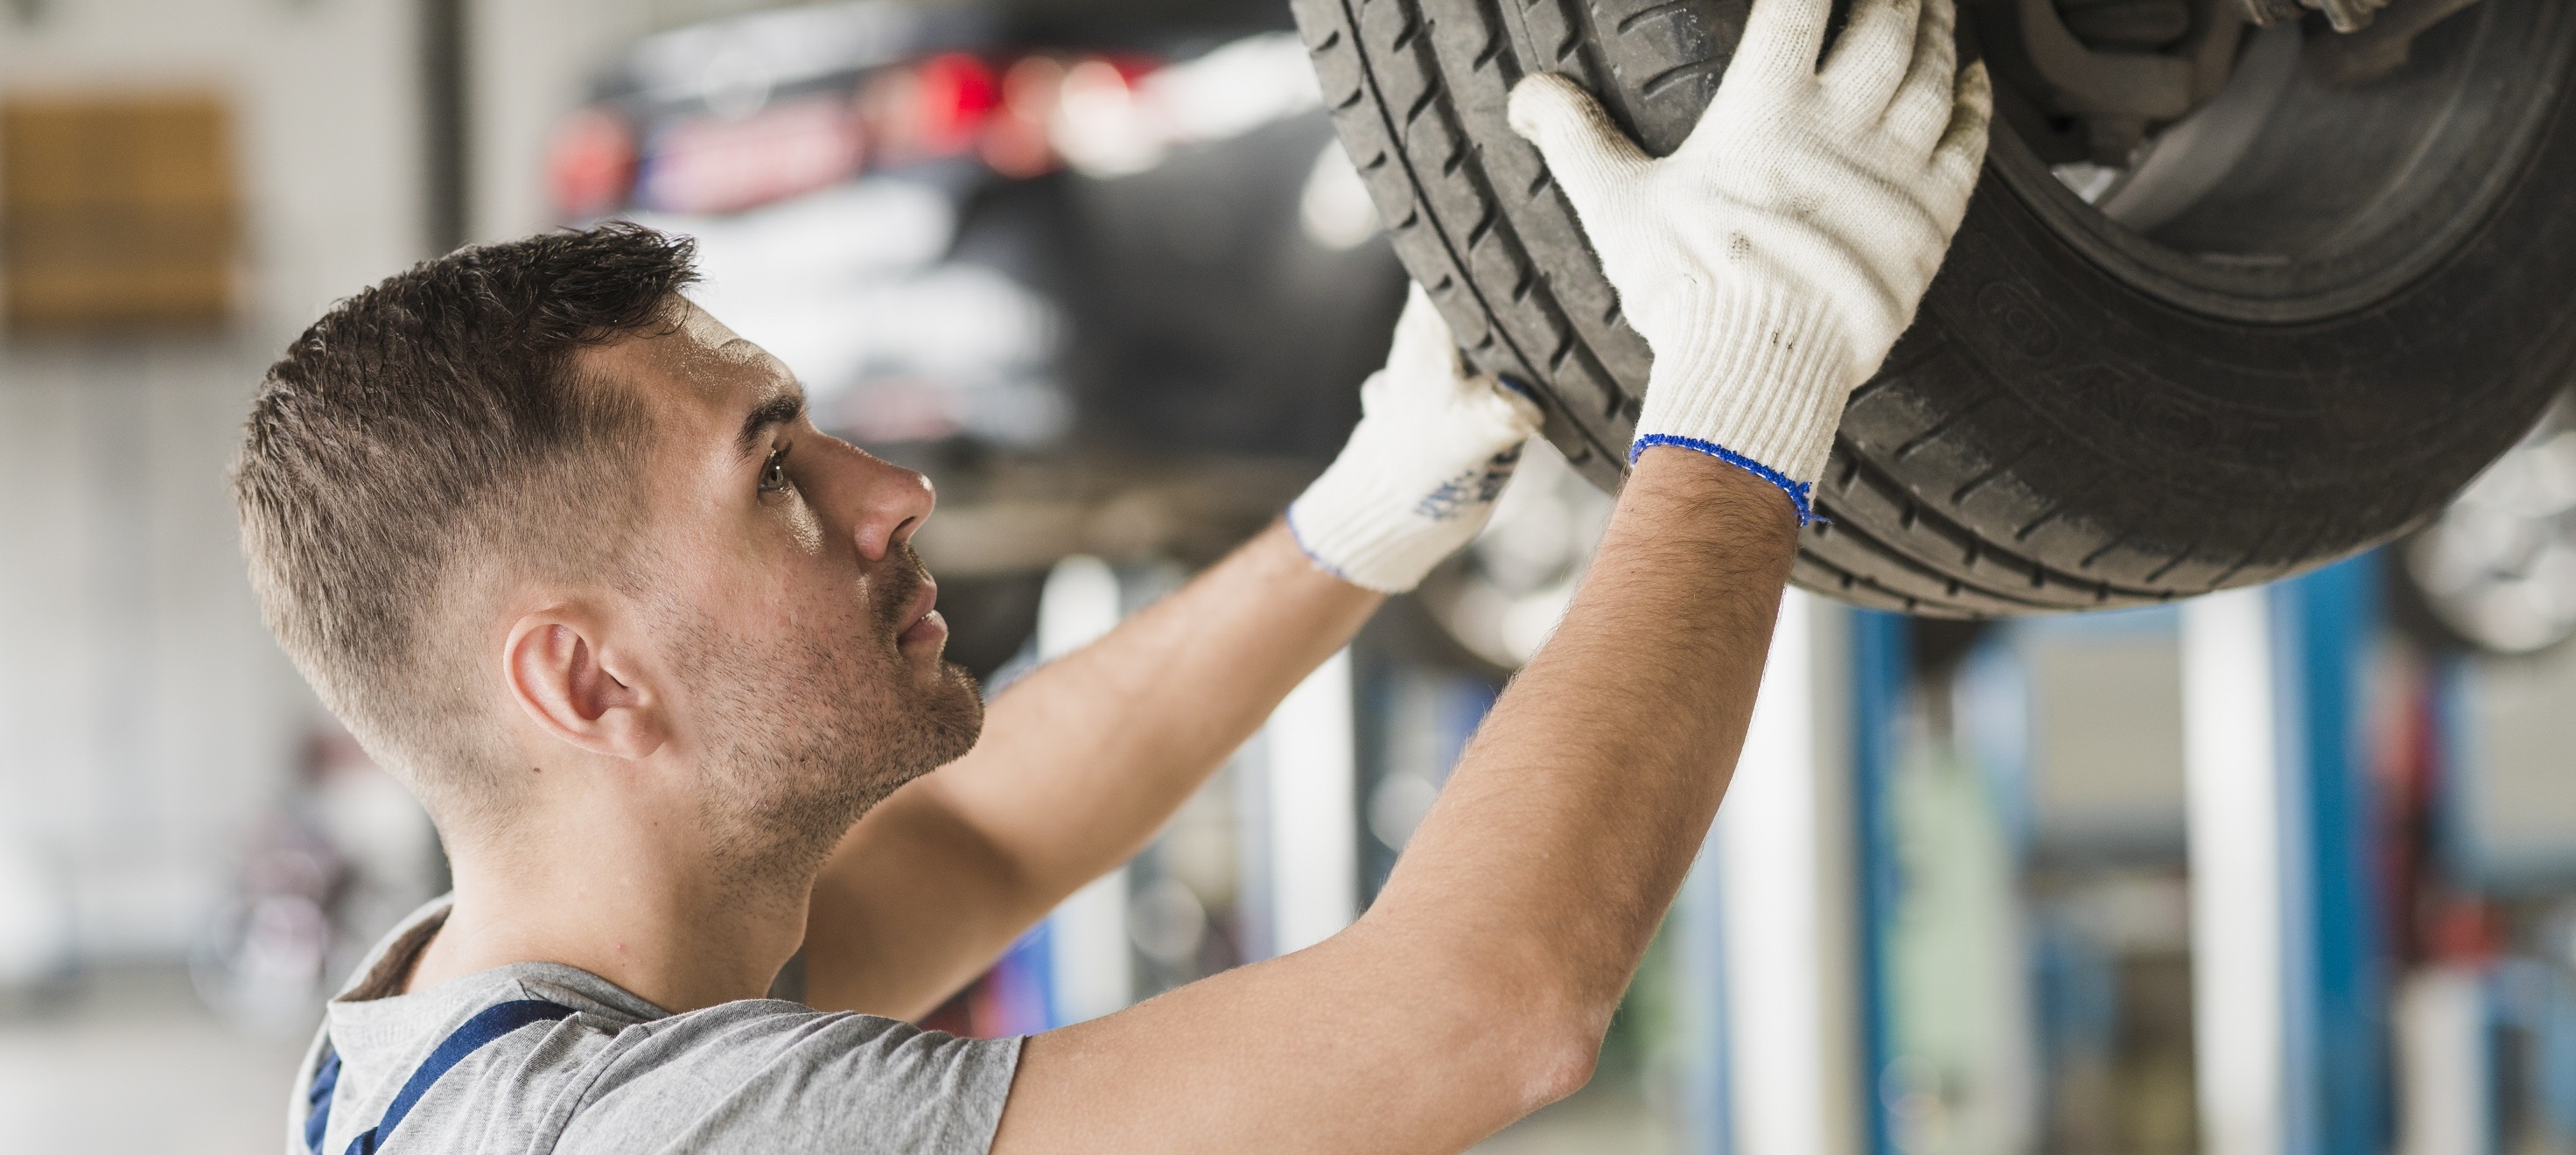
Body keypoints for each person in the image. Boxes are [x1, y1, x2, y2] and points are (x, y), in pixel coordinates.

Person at [239, 0, 1988, 1149]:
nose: (894, 489)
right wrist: (1754, 369)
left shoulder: (474, 1040)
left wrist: (1353, 525)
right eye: (774, 477)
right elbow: (1484, 1011)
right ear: (586, 682)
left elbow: (976, 841)